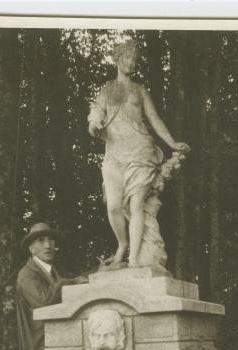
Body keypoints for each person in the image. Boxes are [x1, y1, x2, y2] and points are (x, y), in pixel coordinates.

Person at [88, 39, 189, 268]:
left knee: (136, 205)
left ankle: (133, 259)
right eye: (127, 57)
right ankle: (122, 246)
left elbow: (154, 119)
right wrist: (93, 125)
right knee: (114, 206)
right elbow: (95, 113)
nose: (131, 62)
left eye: (134, 59)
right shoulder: (107, 89)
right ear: (117, 58)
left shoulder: (140, 90)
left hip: (140, 150)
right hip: (114, 153)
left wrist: (172, 143)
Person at [16, 222, 87, 350]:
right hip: (37, 342)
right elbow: (44, 301)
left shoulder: (52, 271)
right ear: (32, 248)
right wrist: (68, 283)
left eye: (50, 240)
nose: (48, 245)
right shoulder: (27, 275)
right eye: (41, 240)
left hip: (54, 340)